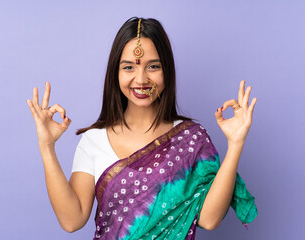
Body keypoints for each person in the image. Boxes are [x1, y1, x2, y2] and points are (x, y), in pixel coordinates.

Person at [27, 17, 258, 239]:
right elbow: (72, 220)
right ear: (115, 73)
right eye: (129, 67)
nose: (141, 79)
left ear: (167, 70)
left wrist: (236, 143)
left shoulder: (191, 138)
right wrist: (47, 147)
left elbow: (209, 219)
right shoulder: (93, 140)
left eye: (153, 66)